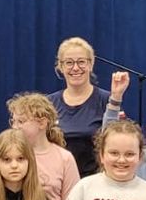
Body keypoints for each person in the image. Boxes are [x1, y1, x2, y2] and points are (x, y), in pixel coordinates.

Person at [46, 37, 130, 178]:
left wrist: (116, 97)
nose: (75, 68)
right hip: (57, 179)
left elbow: (119, 140)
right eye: (69, 62)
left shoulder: (108, 100)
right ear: (60, 67)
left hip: (97, 180)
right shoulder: (49, 103)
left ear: (91, 64)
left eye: (81, 62)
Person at [8, 92, 80, 200]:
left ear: (42, 123)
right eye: (13, 121)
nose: (15, 127)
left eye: (21, 121)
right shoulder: (9, 156)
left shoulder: (64, 158)